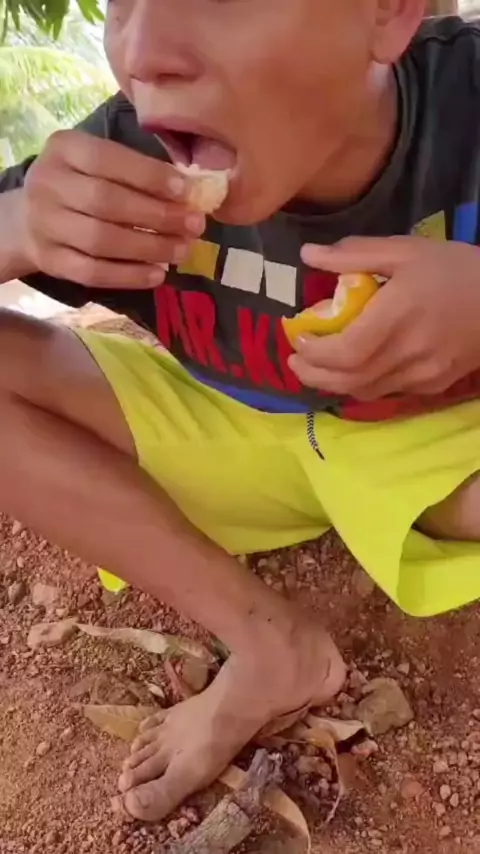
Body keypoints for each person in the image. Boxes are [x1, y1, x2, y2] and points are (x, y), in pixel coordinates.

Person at [2, 0, 480, 823]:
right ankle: (268, 644)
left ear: (388, 11)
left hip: (427, 442)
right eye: (122, 2)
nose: (142, 52)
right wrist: (16, 226)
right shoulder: (124, 160)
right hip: (227, 428)